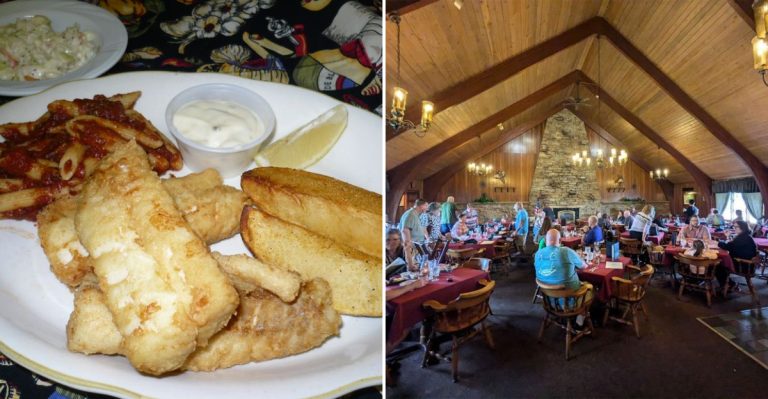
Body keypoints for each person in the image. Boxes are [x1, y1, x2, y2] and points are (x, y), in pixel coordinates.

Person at [718, 221, 758, 291]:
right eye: (734, 227)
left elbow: (727, 247)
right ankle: (728, 284)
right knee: (720, 263)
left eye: (736, 227)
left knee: (718, 265)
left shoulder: (742, 238)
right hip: (745, 263)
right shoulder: (745, 236)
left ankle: (729, 285)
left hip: (743, 265)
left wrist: (718, 242)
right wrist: (727, 237)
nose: (734, 228)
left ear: (742, 228)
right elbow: (732, 245)